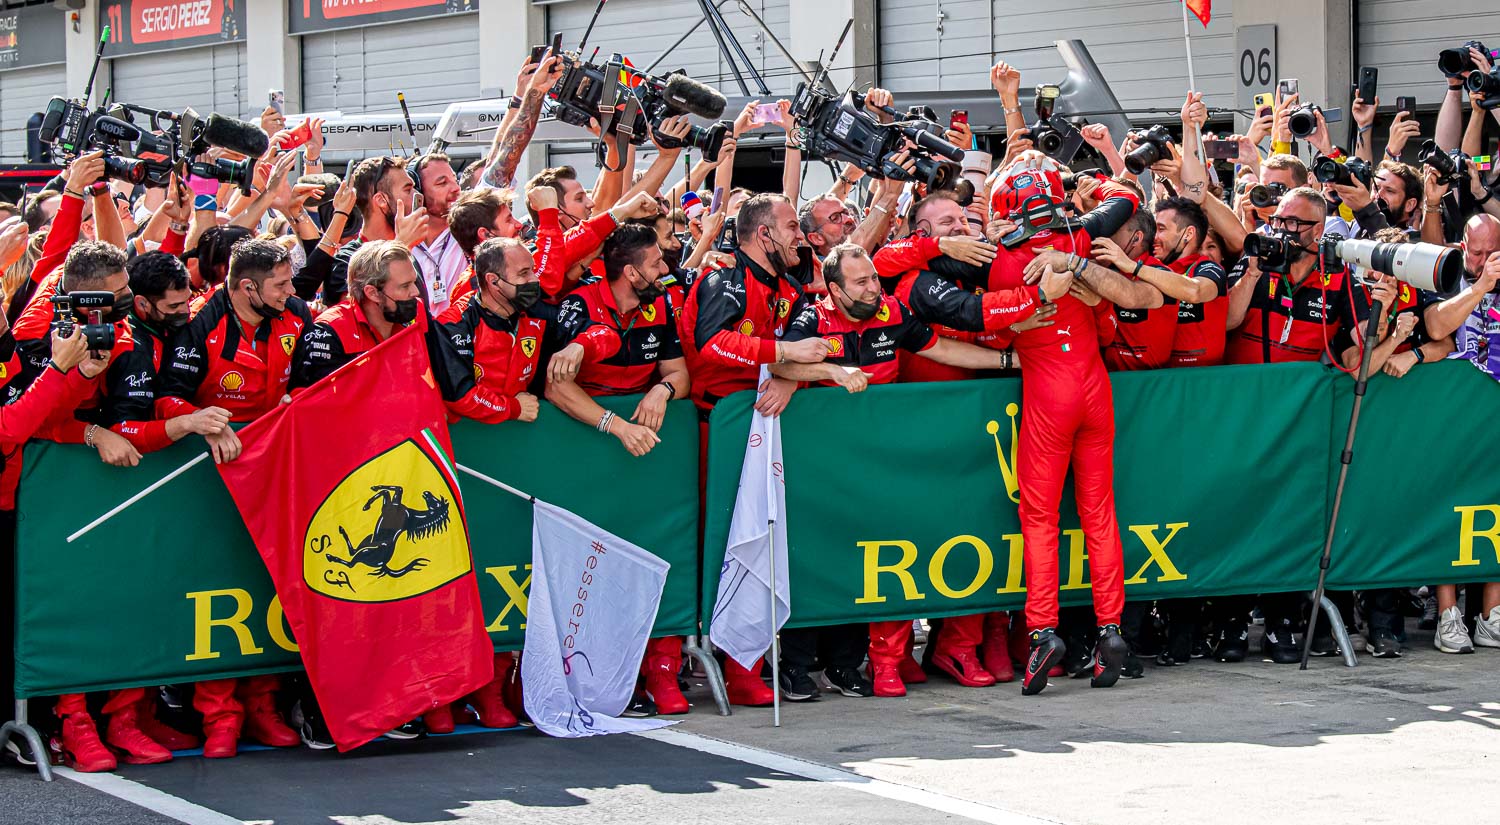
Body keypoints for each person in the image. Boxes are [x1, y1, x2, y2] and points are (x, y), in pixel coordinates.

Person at [772, 243, 1029, 698]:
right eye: (862, 282)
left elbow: (942, 349)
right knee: (818, 555)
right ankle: (794, 664)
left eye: (874, 277)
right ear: (834, 289)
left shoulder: (890, 310)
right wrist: (829, 371)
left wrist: (1009, 361)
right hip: (822, 463)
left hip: (879, 460)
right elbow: (775, 359)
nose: (874, 288)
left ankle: (848, 664)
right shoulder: (811, 316)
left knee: (870, 554)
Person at [937, 149, 1141, 696]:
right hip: (1094, 387)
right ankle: (1111, 629)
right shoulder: (1078, 239)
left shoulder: (1002, 260)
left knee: (1040, 519)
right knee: (1100, 514)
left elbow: (997, 332)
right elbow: (1127, 195)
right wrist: (1086, 180)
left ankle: (1044, 630)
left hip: (1048, 391)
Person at [677, 192, 828, 705]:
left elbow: (814, 338)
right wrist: (781, 356)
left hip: (767, 426)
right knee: (722, 542)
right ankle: (711, 660)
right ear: (763, 235)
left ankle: (749, 662)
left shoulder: (790, 284)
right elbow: (711, 343)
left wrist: (789, 380)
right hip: (714, 431)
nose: (801, 235)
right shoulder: (721, 280)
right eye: (790, 226)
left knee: (765, 542)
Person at [545, 224, 693, 713]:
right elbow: (555, 388)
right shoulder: (578, 306)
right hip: (585, 449)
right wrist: (615, 426)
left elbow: (680, 374)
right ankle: (594, 674)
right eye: (656, 264)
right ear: (630, 272)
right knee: (592, 566)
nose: (667, 269)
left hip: (645, 457)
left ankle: (663, 673)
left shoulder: (661, 305)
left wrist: (661, 390)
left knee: (658, 552)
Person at [1224, 187, 1369, 663]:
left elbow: (1358, 347)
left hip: (1299, 422)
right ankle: (1231, 616)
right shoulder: (1255, 260)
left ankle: (1287, 617)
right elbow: (1227, 320)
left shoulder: (1339, 277)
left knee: (1287, 518)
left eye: (1296, 224)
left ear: (1319, 229)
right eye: (1280, 221)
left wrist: (1383, 306)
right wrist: (1251, 269)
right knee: (1236, 514)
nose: (1284, 230)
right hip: (1241, 414)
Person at [1423, 214, 1500, 653]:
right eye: (1477, 252)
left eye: (1493, 253)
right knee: (1449, 510)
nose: (1484, 260)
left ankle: (1491, 614)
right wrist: (1480, 287)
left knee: (1495, 507)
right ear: (1462, 245)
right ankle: (1448, 614)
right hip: (1450, 418)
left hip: (1492, 415)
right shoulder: (1449, 273)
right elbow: (1436, 329)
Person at [407, 153, 467, 315]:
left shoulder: (467, 229)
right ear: (418, 192)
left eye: (455, 179)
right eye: (442, 183)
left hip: (459, 335)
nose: (456, 188)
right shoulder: (401, 239)